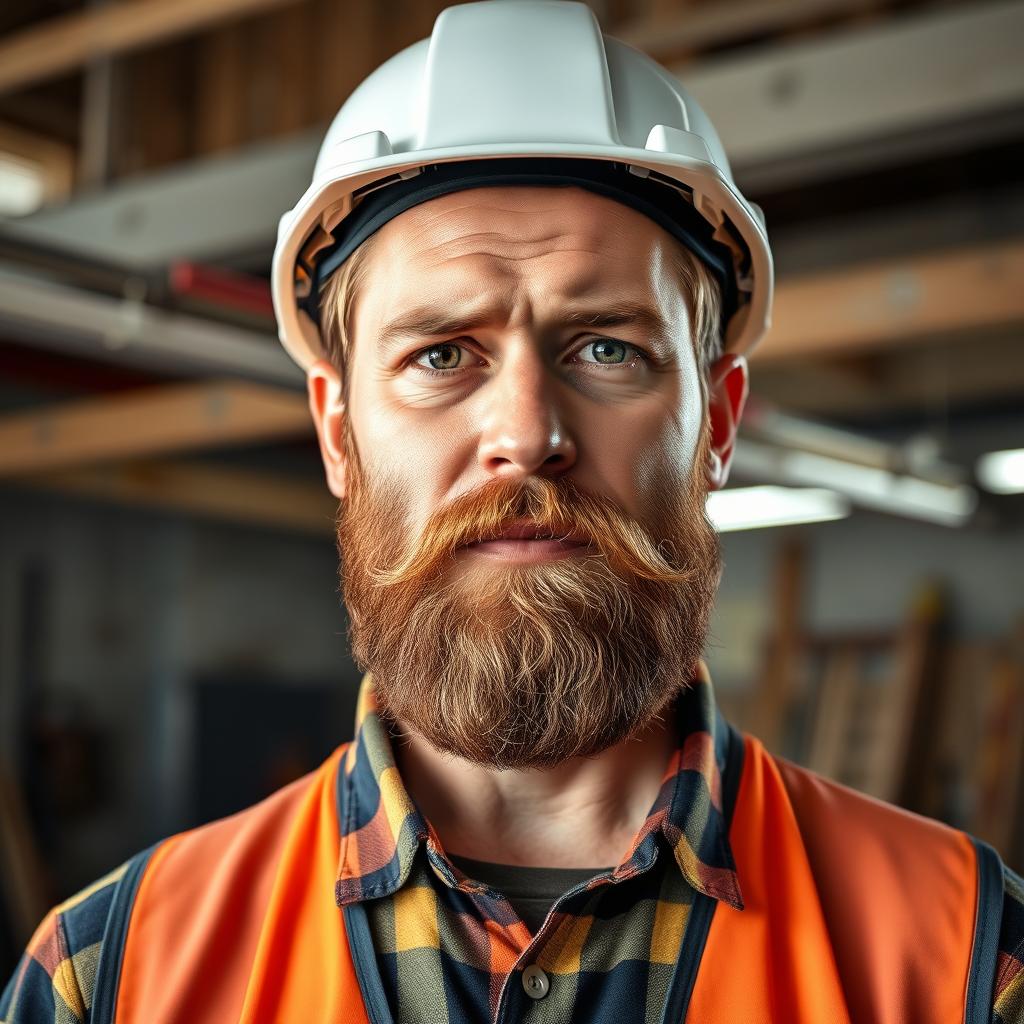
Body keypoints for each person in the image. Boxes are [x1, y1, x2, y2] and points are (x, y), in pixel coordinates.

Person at [3, 2, 1022, 1022]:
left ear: (715, 421)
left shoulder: (970, 961)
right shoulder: (108, 977)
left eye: (607, 348)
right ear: (337, 432)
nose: (527, 433)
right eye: (440, 355)